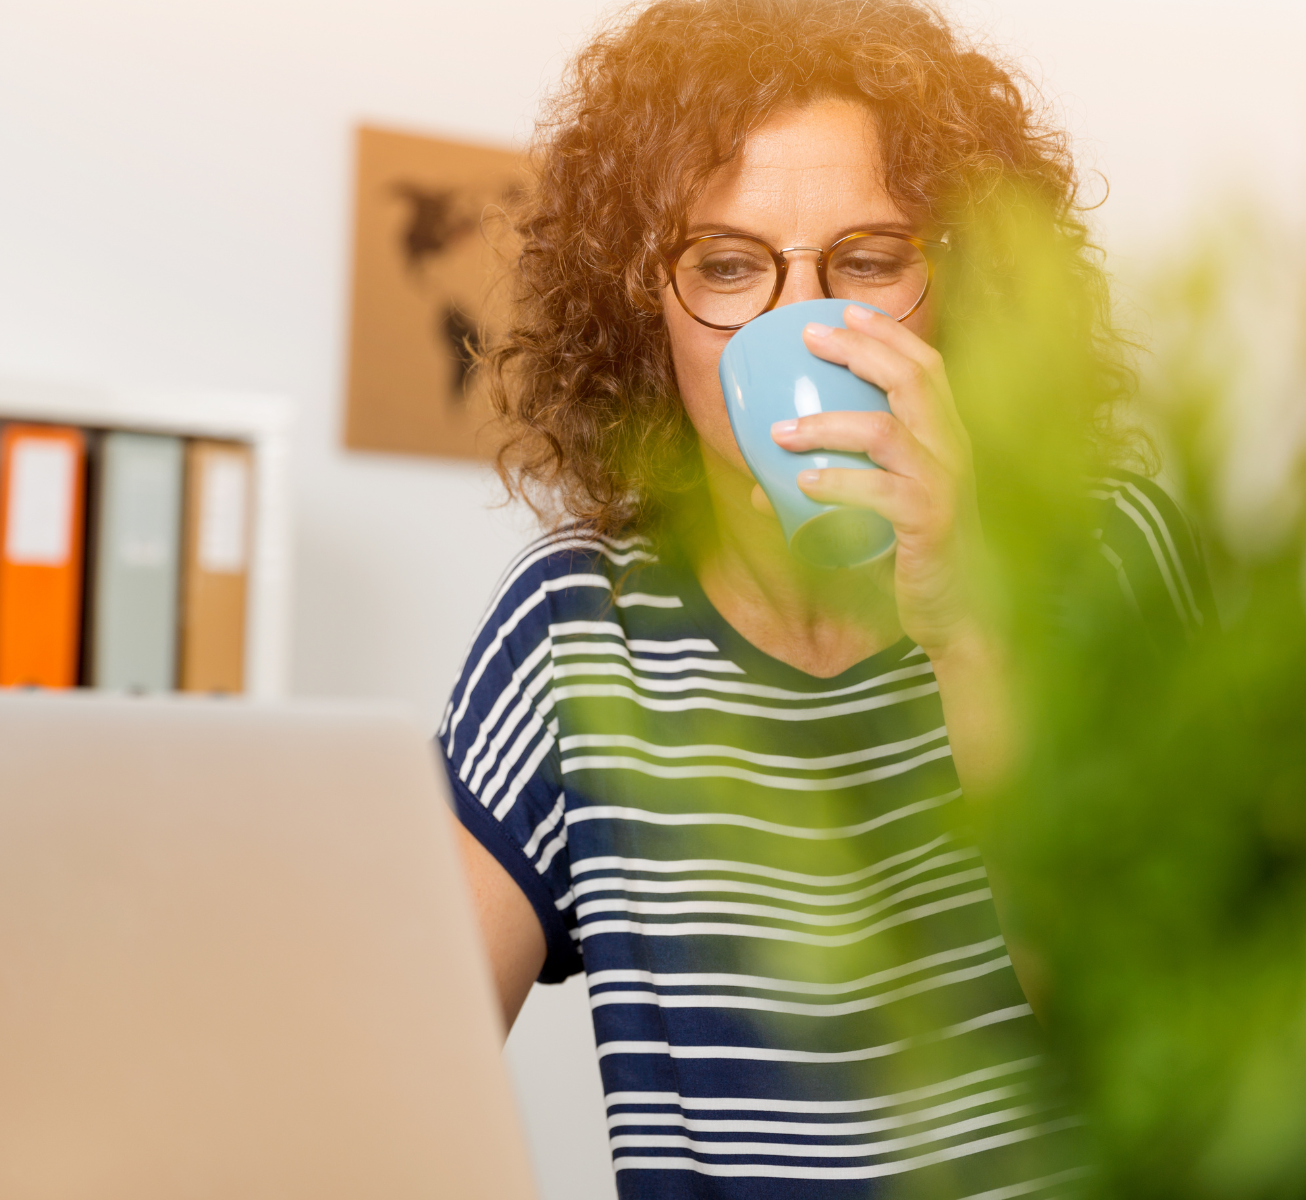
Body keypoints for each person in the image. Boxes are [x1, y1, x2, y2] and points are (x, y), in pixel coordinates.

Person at [440, 1, 1215, 1195]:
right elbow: (401, 1072)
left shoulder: (1105, 552)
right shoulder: (575, 628)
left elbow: (1176, 1046)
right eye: (729, 266)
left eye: (866, 261)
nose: (795, 328)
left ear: (955, 289)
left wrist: (964, 619)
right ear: (647, 308)